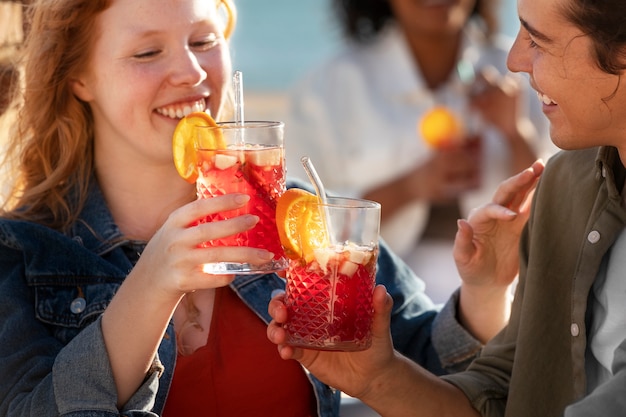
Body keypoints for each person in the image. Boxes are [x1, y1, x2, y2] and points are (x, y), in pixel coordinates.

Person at [0, 0, 517, 416]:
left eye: (203, 42)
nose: (190, 71)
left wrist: (486, 288)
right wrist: (152, 283)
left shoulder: (297, 217)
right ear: (78, 78)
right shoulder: (23, 252)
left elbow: (435, 372)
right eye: (146, 53)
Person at [268, 0, 626, 414]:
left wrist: (512, 134)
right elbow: (498, 390)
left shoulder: (549, 147)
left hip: (473, 304)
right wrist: (375, 378)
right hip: (425, 303)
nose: (514, 60)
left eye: (539, 40)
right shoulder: (331, 85)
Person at [285, 0, 555, 303]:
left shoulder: (522, 70)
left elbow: (554, 216)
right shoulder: (329, 87)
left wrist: (516, 134)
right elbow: (300, 223)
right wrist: (410, 186)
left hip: (506, 295)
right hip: (374, 300)